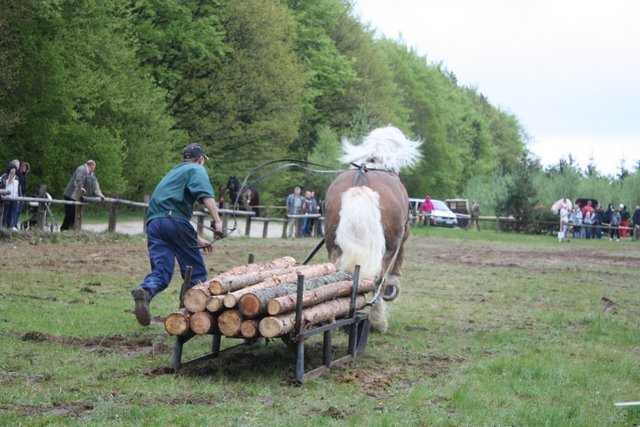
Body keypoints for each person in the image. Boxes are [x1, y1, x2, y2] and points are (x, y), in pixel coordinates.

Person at [130, 143, 222, 326]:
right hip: (174, 222)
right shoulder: (196, 169)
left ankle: (145, 291)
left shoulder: (173, 172)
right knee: (195, 272)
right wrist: (218, 221)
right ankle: (189, 313)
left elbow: (169, 213)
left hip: (154, 224)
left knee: (161, 271)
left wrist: (197, 238)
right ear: (200, 159)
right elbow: (205, 195)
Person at [60, 160, 105, 231]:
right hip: (71, 195)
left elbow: (96, 185)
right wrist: (81, 187)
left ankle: (68, 229)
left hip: (78, 197)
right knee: (71, 214)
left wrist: (100, 194)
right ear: (91, 165)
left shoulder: (92, 174)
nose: (94, 169)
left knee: (74, 214)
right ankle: (67, 229)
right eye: (94, 167)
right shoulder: (81, 169)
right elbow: (78, 179)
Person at [1, 162, 21, 230]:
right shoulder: (4, 177)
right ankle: (4, 225)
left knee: (12, 212)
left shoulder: (17, 178)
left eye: (15, 169)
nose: (14, 170)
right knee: (5, 212)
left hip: (14, 197)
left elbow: (18, 188)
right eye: (12, 169)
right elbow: (2, 187)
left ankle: (11, 226)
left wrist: (19, 197)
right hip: (6, 198)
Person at [13, 161, 30, 228]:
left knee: (19, 210)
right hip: (18, 194)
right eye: (23, 166)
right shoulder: (17, 174)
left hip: (23, 194)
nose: (24, 168)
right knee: (16, 210)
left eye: (25, 167)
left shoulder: (25, 175)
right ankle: (13, 224)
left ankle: (15, 223)